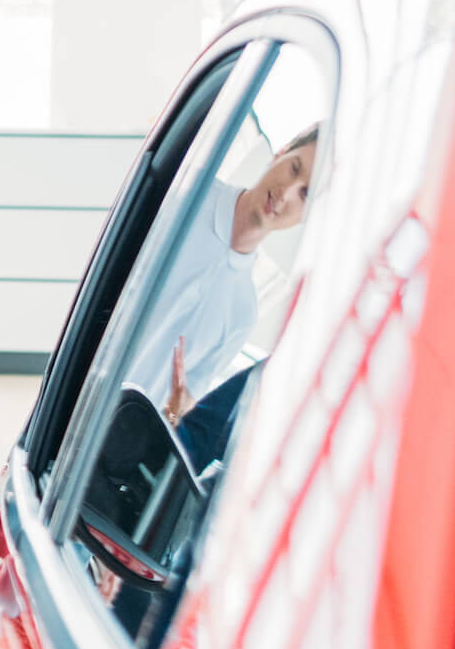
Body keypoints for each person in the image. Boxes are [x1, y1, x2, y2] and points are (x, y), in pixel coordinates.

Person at [115, 126, 318, 428]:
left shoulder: (242, 313)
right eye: (294, 169)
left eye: (305, 193)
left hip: (111, 447)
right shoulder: (185, 194)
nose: (286, 193)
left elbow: (176, 411)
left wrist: (173, 412)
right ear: (281, 151)